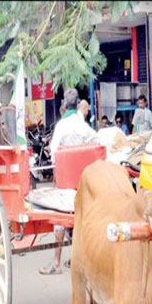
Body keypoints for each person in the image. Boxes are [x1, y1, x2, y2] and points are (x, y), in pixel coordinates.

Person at [40, 88, 98, 275]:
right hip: (84, 183)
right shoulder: (83, 126)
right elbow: (97, 144)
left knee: (60, 219)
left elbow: (54, 152)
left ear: (65, 105)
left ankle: (56, 263)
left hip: (66, 184)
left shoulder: (61, 126)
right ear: (78, 104)